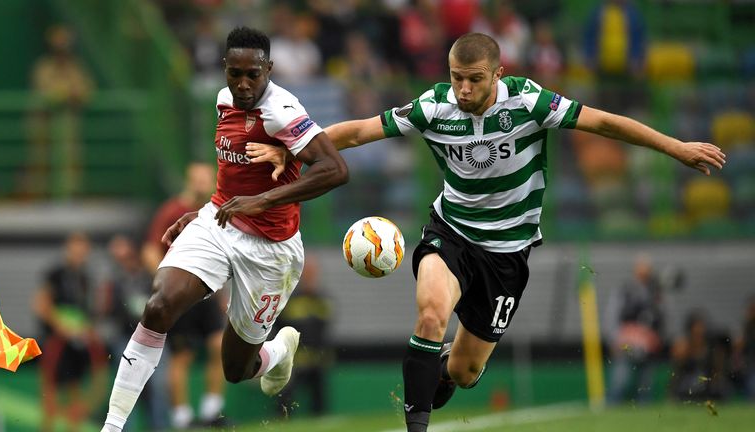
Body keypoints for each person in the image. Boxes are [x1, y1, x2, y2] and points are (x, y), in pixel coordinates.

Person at [246, 32, 726, 431]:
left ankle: (448, 368)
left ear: (497, 74)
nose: (463, 89)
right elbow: (358, 131)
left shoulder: (530, 100)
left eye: (474, 80)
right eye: (456, 78)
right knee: (431, 314)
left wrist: (675, 146)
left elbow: (604, 123)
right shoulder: (434, 106)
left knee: (465, 372)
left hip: (508, 254)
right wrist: (293, 151)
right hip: (451, 232)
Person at [99, 26, 348, 431]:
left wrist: (262, 201)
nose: (244, 84)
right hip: (218, 222)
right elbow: (233, 172)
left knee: (237, 367)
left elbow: (336, 169)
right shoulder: (222, 100)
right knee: (159, 306)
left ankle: (278, 351)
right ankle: (112, 426)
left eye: (254, 74)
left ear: (269, 68)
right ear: (224, 69)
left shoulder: (283, 111)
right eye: (235, 74)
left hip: (272, 249)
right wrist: (201, 210)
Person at [142, 162, 228, 429]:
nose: (203, 184)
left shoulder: (214, 211)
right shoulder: (173, 211)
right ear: (188, 181)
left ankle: (211, 411)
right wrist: (165, 285)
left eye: (207, 179)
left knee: (219, 346)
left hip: (206, 292)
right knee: (182, 356)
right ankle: (182, 418)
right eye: (198, 179)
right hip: (181, 295)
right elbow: (149, 249)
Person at [34, 232, 108, 431]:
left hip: (78, 344)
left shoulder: (86, 278)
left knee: (76, 392)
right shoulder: (55, 274)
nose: (80, 253)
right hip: (54, 342)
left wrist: (87, 331)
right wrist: (61, 326)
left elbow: (88, 313)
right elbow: (41, 305)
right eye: (76, 248)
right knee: (50, 392)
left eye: (83, 249)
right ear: (68, 248)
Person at [100, 235, 170, 430]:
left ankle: (158, 427)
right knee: (126, 387)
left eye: (126, 254)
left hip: (155, 337)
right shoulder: (114, 281)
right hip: (125, 338)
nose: (123, 259)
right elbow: (105, 311)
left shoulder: (150, 275)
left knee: (156, 386)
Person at [24, 24, 95, 199]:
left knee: (69, 163)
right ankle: (41, 198)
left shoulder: (75, 67)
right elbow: (44, 92)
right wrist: (65, 94)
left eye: (65, 46)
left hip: (67, 126)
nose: (62, 50)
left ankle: (69, 196)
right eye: (58, 46)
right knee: (41, 163)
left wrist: (74, 94)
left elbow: (86, 91)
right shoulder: (43, 68)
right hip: (44, 124)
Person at [274, 254, 333, 416]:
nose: (309, 276)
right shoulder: (289, 300)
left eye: (312, 272)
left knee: (319, 400)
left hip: (317, 359)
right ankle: (281, 422)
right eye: (306, 272)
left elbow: (324, 331)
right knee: (285, 400)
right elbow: (279, 329)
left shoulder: (324, 300)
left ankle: (320, 419)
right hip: (293, 361)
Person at [604, 254, 665, 404]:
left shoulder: (657, 293)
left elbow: (664, 318)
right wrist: (615, 339)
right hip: (626, 345)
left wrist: (657, 338)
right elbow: (612, 316)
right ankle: (611, 409)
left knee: (645, 385)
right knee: (620, 381)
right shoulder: (625, 290)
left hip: (648, 348)